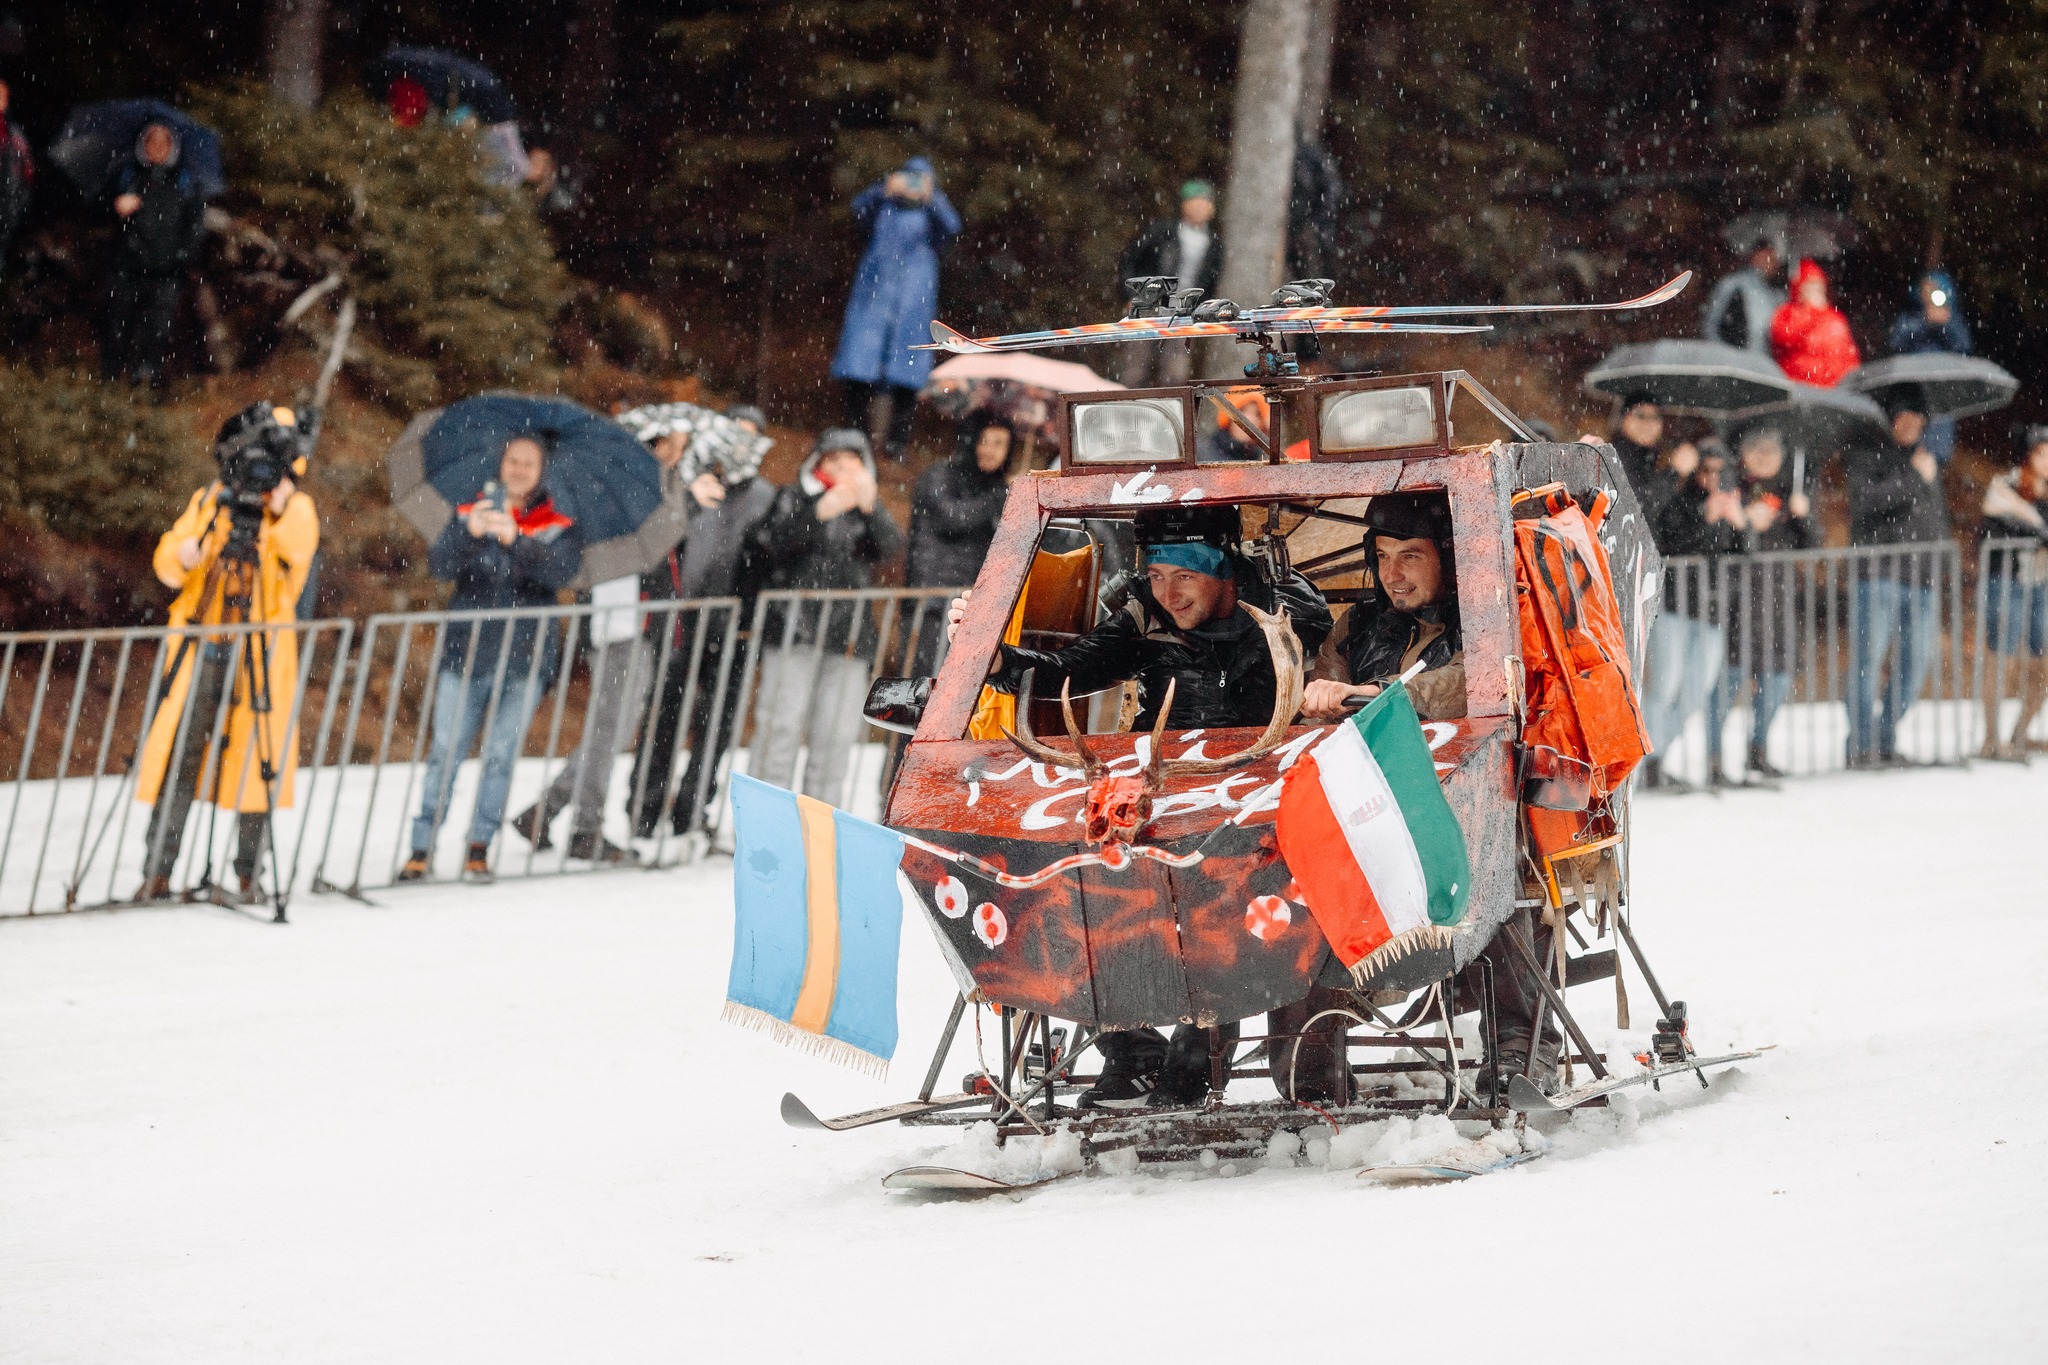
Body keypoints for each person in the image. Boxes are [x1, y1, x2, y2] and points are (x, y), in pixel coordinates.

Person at [948, 504, 1336, 1106]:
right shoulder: (1143, 618)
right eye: (1155, 576)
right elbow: (1072, 668)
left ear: (1225, 569)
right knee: (1097, 893)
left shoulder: (1288, 608)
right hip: (1166, 788)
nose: (1168, 593)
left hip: (1263, 787)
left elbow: (1329, 643)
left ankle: (1198, 1051)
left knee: (1223, 903)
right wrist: (1001, 663)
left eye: (1184, 575)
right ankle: (1130, 1050)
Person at [133, 405, 318, 903]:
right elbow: (169, 561)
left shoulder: (294, 508)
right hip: (203, 639)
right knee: (181, 752)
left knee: (255, 754)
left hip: (258, 642)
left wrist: (278, 507)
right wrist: (183, 554)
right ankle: (158, 867)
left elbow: (298, 554)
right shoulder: (212, 498)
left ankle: (247, 871)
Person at [401, 435, 584, 881]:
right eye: (512, 460)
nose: (519, 468)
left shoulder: (559, 520)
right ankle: (421, 847)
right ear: (501, 464)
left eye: (529, 462)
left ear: (542, 471)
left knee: (502, 755)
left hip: (525, 657)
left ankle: (479, 845)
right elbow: (440, 566)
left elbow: (561, 572)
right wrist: (472, 534)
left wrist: (517, 541)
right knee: (445, 752)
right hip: (467, 653)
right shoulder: (471, 510)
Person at [619, 404, 776, 839]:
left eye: (749, 436)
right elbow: (659, 542)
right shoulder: (686, 481)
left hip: (734, 625)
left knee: (717, 723)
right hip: (681, 618)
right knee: (663, 715)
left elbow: (769, 557)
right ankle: (644, 807)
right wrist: (689, 500)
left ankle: (693, 808)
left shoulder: (765, 496)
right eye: (733, 434)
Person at [746, 429, 904, 803]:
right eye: (833, 460)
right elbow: (769, 546)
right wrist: (816, 513)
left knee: (835, 734)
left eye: (850, 461)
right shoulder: (792, 496)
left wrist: (872, 509)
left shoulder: (866, 508)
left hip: (849, 633)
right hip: (791, 625)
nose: (841, 468)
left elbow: (890, 550)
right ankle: (766, 815)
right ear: (817, 462)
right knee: (780, 727)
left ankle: (822, 821)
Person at [1845, 387, 1951, 767]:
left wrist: (1942, 568)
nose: (1912, 424)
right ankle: (1860, 745)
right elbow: (1868, 504)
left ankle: (1885, 738)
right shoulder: (1865, 454)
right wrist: (1914, 477)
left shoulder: (1925, 461)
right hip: (1877, 575)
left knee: (1915, 662)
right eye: (1905, 416)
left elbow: (1936, 519)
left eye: (1918, 418)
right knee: (1867, 662)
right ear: (1890, 418)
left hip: (1921, 579)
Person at [1703, 428, 1817, 782]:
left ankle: (1758, 749)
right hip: (1737, 603)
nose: (1766, 457)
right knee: (1728, 683)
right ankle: (1714, 758)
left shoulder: (1791, 491)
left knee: (1778, 680)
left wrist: (1804, 516)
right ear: (1745, 453)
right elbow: (1717, 542)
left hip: (1779, 603)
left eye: (1772, 450)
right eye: (1758, 449)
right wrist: (1746, 524)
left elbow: (1812, 545)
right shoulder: (1731, 485)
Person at [829, 158, 960, 461]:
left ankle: (896, 444)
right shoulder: (883, 206)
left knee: (908, 372)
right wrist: (882, 190)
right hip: (872, 298)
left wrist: (934, 199)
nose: (912, 185)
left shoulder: (932, 215)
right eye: (908, 179)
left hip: (913, 304)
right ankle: (854, 437)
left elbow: (953, 227)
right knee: (858, 368)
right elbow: (857, 211)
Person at [1300, 493, 1467, 724]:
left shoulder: (1475, 621)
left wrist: (1377, 692)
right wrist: (1322, 700)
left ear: (1448, 560)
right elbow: (1318, 725)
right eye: (1383, 556)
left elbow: (1468, 682)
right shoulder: (1355, 625)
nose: (1391, 575)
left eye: (1409, 556)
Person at [1641, 440, 1746, 790]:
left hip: (1711, 611)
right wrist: (1705, 519)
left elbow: (1745, 555)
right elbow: (1669, 540)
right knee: (1665, 686)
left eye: (1720, 471)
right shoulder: (1678, 499)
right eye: (1707, 469)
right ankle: (1651, 765)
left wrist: (1740, 524)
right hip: (1675, 606)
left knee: (1695, 694)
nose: (1713, 478)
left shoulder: (1730, 501)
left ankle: (1660, 753)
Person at [101, 121, 207, 387]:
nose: (157, 148)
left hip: (167, 268)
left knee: (159, 328)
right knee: (118, 324)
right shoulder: (127, 176)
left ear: (172, 147)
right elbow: (99, 210)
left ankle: (149, 378)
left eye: (163, 143)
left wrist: (181, 255)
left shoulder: (185, 181)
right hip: (129, 264)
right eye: (151, 142)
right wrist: (116, 207)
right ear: (142, 145)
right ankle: (111, 378)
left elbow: (195, 224)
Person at [1977, 428, 2048, 759]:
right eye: (2042, 454)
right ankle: (1991, 739)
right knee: (2001, 658)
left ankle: (2021, 732)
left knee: (2042, 662)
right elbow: (1991, 535)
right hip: (2005, 581)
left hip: (2039, 583)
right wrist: (2036, 534)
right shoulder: (2004, 488)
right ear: (2028, 456)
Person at [1116, 180, 1221, 387]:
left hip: (1184, 311)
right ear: (1184, 205)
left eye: (1205, 202)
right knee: (1136, 368)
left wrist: (1202, 308)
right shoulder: (1162, 231)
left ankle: (1171, 413)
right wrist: (1131, 295)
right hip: (1150, 305)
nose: (1200, 207)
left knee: (1176, 373)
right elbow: (1130, 260)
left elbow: (1211, 280)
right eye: (1195, 201)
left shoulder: (1214, 243)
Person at [1888, 270, 1973, 465]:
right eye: (1926, 290)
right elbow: (1897, 341)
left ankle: (1932, 462)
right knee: (1905, 442)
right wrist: (1924, 323)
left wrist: (1945, 325)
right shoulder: (1910, 317)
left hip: (1941, 390)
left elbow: (1964, 346)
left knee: (1936, 440)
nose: (1930, 294)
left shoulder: (1953, 319)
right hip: (1911, 388)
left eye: (1936, 290)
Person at [1769, 259, 1861, 387]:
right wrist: (1812, 313)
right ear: (1800, 289)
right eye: (1811, 286)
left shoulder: (1835, 317)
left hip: (1835, 390)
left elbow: (1849, 354)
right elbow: (1784, 337)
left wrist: (1852, 381)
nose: (1816, 291)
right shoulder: (1787, 313)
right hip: (1803, 389)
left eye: (1819, 286)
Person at [1702, 233, 1787, 353]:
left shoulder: (1776, 294)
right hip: (1736, 361)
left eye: (1773, 260)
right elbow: (1712, 324)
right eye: (1765, 257)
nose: (1769, 264)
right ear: (1753, 257)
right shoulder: (1733, 285)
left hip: (1761, 363)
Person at [0, 80, 33, 281]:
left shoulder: (12, 130)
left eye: (5, 95)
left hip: (7, 205)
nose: (5, 100)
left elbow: (25, 171)